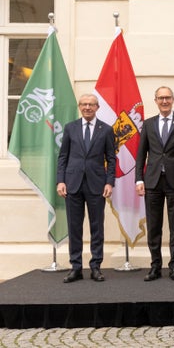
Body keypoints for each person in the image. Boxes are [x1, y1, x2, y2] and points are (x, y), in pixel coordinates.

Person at [136, 86, 174, 282]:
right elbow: (141, 154)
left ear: (172, 100)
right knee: (154, 226)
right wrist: (139, 179)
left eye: (167, 98)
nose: (164, 101)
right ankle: (155, 266)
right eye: (161, 98)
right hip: (152, 182)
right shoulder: (148, 124)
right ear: (156, 100)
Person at [56, 94, 116, 283]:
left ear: (97, 107)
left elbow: (111, 159)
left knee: (97, 227)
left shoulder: (106, 130)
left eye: (91, 104)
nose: (87, 107)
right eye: (84, 104)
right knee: (74, 227)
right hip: (72, 184)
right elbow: (63, 156)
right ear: (79, 106)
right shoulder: (70, 128)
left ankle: (96, 266)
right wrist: (60, 181)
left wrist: (109, 182)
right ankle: (75, 267)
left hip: (97, 185)